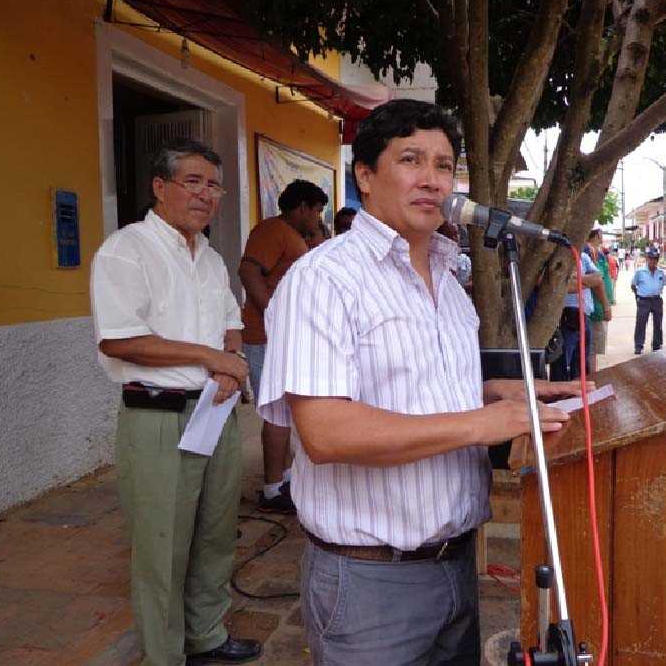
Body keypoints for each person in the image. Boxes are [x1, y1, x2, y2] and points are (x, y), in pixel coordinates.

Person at [257, 99, 581, 666]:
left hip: (456, 564)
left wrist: (496, 394)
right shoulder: (324, 280)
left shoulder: (448, 280)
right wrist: (481, 423)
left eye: (443, 164)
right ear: (364, 175)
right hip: (371, 584)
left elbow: (415, 387)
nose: (432, 179)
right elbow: (326, 432)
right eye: (411, 160)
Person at [90, 140, 261, 666]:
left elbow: (231, 322)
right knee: (162, 546)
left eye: (214, 186)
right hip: (158, 416)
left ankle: (207, 635)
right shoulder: (127, 249)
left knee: (215, 532)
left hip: (215, 412)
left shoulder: (210, 258)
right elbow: (119, 339)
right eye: (193, 182)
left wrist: (229, 364)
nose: (206, 194)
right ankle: (166, 654)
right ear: (160, 187)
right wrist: (212, 357)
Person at [239, 179, 327, 513]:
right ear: (302, 207)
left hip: (283, 335)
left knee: (287, 411)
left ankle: (285, 478)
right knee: (275, 412)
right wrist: (273, 314)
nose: (318, 218)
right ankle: (273, 489)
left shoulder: (295, 235)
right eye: (316, 211)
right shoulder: (272, 231)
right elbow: (248, 271)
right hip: (265, 336)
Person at [553, 249, 600, 379]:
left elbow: (597, 279)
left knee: (582, 360)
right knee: (563, 359)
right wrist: (585, 281)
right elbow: (561, 286)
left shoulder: (583, 257)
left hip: (584, 315)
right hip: (564, 316)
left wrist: (574, 279)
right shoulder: (557, 257)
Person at [631, 247, 666, 354]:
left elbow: (663, 284)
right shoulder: (640, 271)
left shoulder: (661, 272)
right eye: (651, 258)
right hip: (644, 300)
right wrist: (638, 296)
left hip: (657, 300)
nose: (653, 261)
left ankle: (656, 345)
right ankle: (638, 346)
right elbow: (633, 285)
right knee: (641, 323)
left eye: (655, 259)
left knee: (658, 323)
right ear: (647, 258)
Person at [585, 229, 613, 360]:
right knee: (591, 349)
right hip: (596, 308)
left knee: (594, 349)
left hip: (600, 307)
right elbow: (596, 282)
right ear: (596, 236)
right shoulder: (588, 253)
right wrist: (606, 306)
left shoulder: (599, 254)